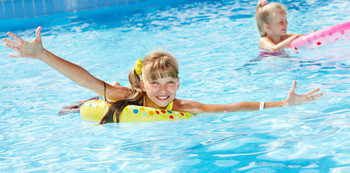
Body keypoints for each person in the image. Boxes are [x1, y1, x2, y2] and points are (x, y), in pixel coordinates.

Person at [3, 26, 322, 124]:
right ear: (143, 84)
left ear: (178, 83)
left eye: (171, 81)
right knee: (91, 96)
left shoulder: (183, 106)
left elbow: (233, 106)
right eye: (155, 82)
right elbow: (86, 79)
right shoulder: (131, 96)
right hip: (107, 106)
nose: (164, 89)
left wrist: (284, 104)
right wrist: (42, 55)